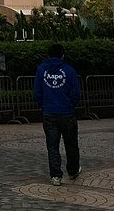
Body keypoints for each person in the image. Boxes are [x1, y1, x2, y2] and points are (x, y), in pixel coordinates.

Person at [34, 43, 81, 186]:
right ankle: (73, 171)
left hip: (49, 113)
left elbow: (37, 92)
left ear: (48, 55)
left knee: (52, 146)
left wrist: (44, 105)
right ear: (63, 55)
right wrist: (71, 104)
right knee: (71, 143)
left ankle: (55, 175)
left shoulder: (41, 70)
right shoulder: (69, 70)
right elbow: (76, 93)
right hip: (67, 112)